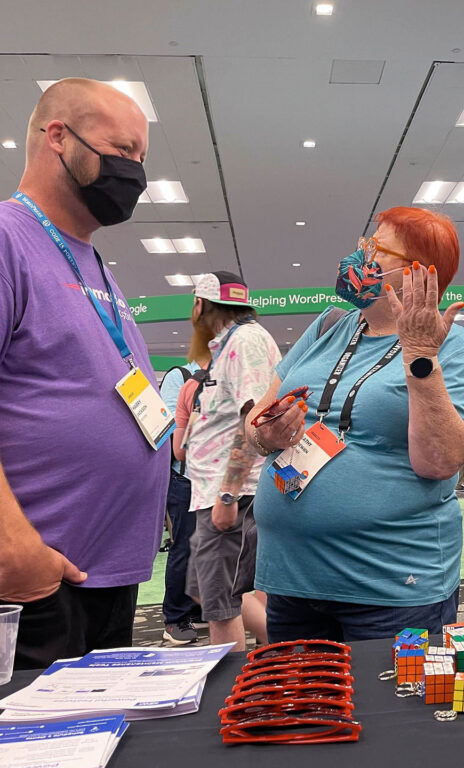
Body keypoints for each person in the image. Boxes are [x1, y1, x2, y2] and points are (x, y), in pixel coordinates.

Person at [249, 207, 464, 642]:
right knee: (304, 705)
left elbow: (442, 462)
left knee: (388, 707)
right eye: (364, 243)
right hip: (292, 578)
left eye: (376, 248)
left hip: (390, 586)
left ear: (417, 274)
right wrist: (266, 433)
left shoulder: (453, 345)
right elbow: (254, 422)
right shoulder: (329, 325)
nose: (359, 256)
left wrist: (419, 354)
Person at [0, 78, 168, 668]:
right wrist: (17, 555)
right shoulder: (6, 239)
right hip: (34, 581)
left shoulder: (90, 260)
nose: (135, 172)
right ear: (56, 137)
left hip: (103, 574)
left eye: (141, 158)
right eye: (123, 151)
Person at [186, 271, 280, 652]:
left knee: (219, 607)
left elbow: (254, 418)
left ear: (203, 304)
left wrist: (228, 495)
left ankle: (232, 695)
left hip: (230, 497)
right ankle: (285, 646)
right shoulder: (228, 344)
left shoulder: (245, 341)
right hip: (215, 492)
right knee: (210, 594)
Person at [159, 357, 204, 645]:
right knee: (184, 548)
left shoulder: (230, 374)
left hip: (217, 481)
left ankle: (199, 607)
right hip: (185, 479)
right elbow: (170, 435)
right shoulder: (180, 376)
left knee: (209, 548)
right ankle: (175, 618)